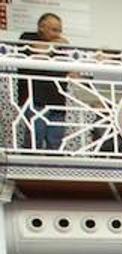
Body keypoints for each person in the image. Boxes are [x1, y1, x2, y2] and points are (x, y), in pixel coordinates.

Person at [17, 13, 68, 151]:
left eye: (59, 30)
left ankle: (54, 170)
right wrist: (55, 44)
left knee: (56, 141)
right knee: (35, 137)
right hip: (35, 99)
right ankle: (29, 168)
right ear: (41, 27)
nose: (58, 34)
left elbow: (71, 70)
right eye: (54, 30)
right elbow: (39, 54)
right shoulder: (27, 38)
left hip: (57, 100)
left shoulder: (61, 46)